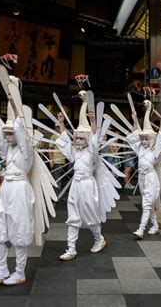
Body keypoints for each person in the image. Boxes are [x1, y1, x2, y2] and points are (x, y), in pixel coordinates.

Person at [0, 117, 35, 287]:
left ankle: (20, 272)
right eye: (5, 133)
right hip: (6, 189)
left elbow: (20, 131)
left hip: (20, 189)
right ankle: (2, 269)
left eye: (9, 133)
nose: (6, 137)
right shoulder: (8, 149)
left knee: (19, 232)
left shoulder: (26, 150)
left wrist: (14, 102)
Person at [55, 108, 107, 261]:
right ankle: (71, 248)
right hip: (75, 186)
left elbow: (94, 144)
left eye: (81, 139)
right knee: (72, 215)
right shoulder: (76, 152)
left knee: (90, 214)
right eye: (76, 138)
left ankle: (99, 239)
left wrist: (92, 122)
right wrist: (61, 123)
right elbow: (65, 145)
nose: (78, 141)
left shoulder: (92, 154)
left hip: (87, 186)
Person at [126, 109, 161, 239]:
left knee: (146, 204)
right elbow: (134, 137)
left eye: (146, 139)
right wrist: (135, 120)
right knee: (148, 204)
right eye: (142, 139)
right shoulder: (140, 149)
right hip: (142, 178)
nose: (143, 141)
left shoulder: (154, 152)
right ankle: (155, 225)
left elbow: (160, 139)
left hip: (150, 178)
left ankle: (141, 229)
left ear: (151, 140)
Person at [48, 123, 66, 197]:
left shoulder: (63, 137)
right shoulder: (54, 136)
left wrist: (64, 161)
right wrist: (51, 161)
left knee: (60, 179)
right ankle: (56, 195)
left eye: (60, 127)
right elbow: (50, 149)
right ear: (55, 128)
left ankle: (58, 195)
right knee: (57, 179)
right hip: (56, 161)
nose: (59, 128)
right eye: (58, 127)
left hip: (61, 161)